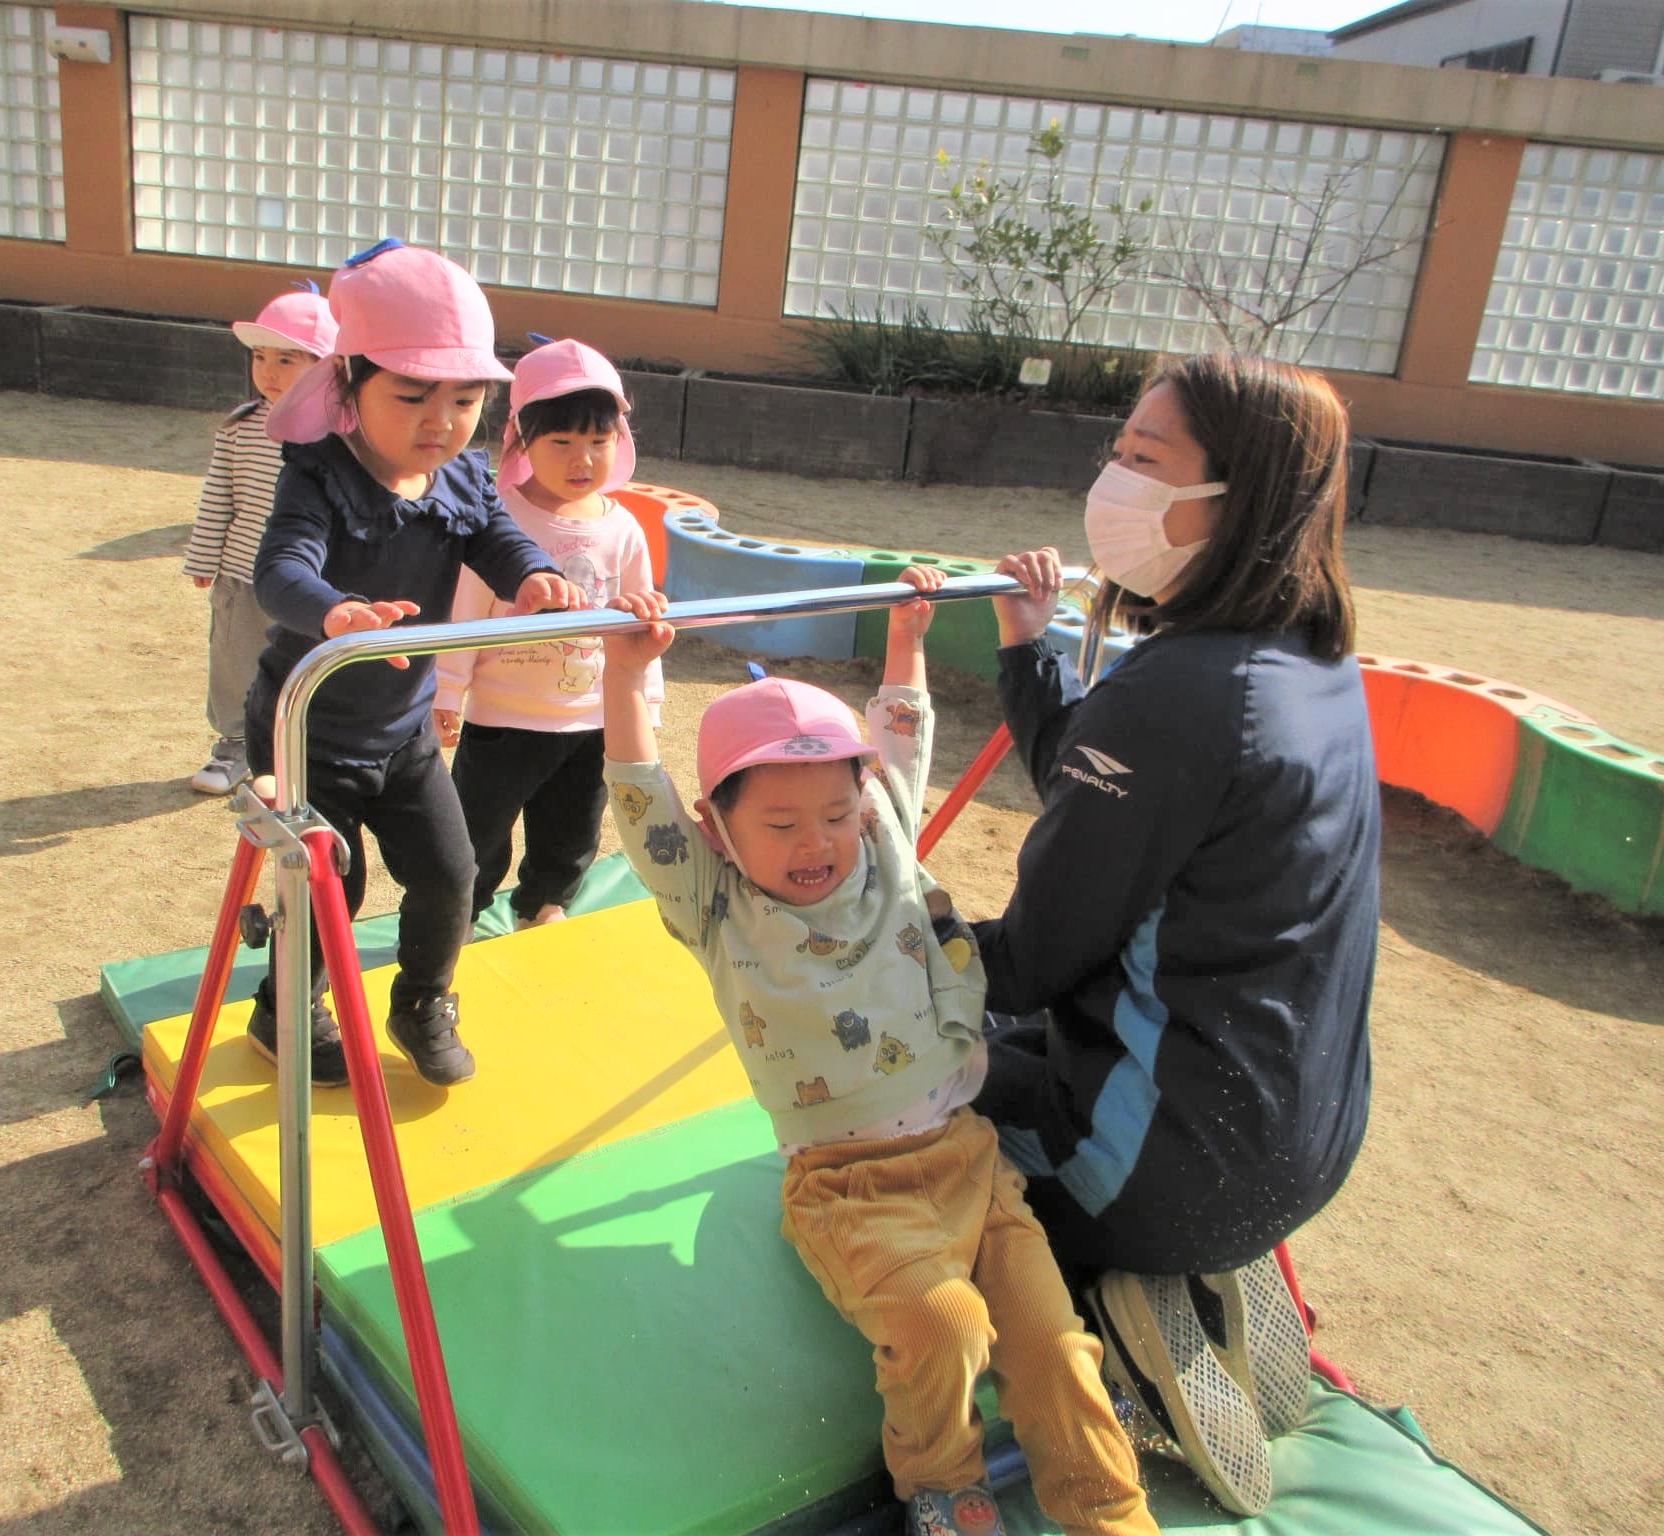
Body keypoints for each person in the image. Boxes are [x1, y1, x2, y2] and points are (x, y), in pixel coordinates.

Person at [602, 574, 1159, 1536]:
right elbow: (638, 798)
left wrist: (908, 635)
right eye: (780, 825)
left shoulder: (884, 840)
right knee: (945, 1323)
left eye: (834, 813)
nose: (816, 842)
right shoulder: (717, 905)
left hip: (969, 1156)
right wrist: (623, 678)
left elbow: (901, 732)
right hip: (848, 1185)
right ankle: (942, 1483)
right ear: (716, 829)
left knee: (1054, 1346)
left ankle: (1109, 1513)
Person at [970, 353, 1380, 1516]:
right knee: (995, 1032)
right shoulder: (1311, 658)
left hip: (1157, 1170)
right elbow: (1116, 790)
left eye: (1144, 461)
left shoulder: (1179, 691)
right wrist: (1027, 646)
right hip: (1294, 1150)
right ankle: (1197, 1261)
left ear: (1235, 500)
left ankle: (1112, 1290)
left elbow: (1030, 959)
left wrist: (863, 952)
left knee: (892, 1079)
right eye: (1116, 450)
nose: (1112, 481)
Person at [242, 240, 585, 1090]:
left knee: (452, 871)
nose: (442, 421)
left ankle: (423, 1001)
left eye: (466, 400)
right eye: (412, 395)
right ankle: (285, 1009)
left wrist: (533, 575)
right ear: (348, 385)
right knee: (334, 887)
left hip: (402, 733)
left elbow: (496, 538)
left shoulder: (460, 477)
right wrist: (335, 611)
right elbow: (279, 569)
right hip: (307, 731)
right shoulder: (319, 475)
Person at [433, 339, 661, 929]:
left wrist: (644, 702)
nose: (582, 459)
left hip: (590, 719)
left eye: (598, 442)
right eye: (561, 442)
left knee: (572, 829)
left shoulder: (624, 528)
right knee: (476, 830)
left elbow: (642, 620)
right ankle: (460, 916)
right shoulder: (499, 518)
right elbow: (465, 613)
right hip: (502, 720)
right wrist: (446, 691)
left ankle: (544, 907)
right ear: (521, 439)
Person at [182, 283, 336, 794]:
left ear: (327, 366)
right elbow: (218, 496)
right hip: (242, 573)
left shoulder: (340, 435)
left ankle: (301, 751)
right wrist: (204, 557)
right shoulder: (240, 427)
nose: (269, 371)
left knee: (309, 665)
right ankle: (233, 745)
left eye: (287, 359)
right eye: (260, 357)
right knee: (235, 658)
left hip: (312, 582)